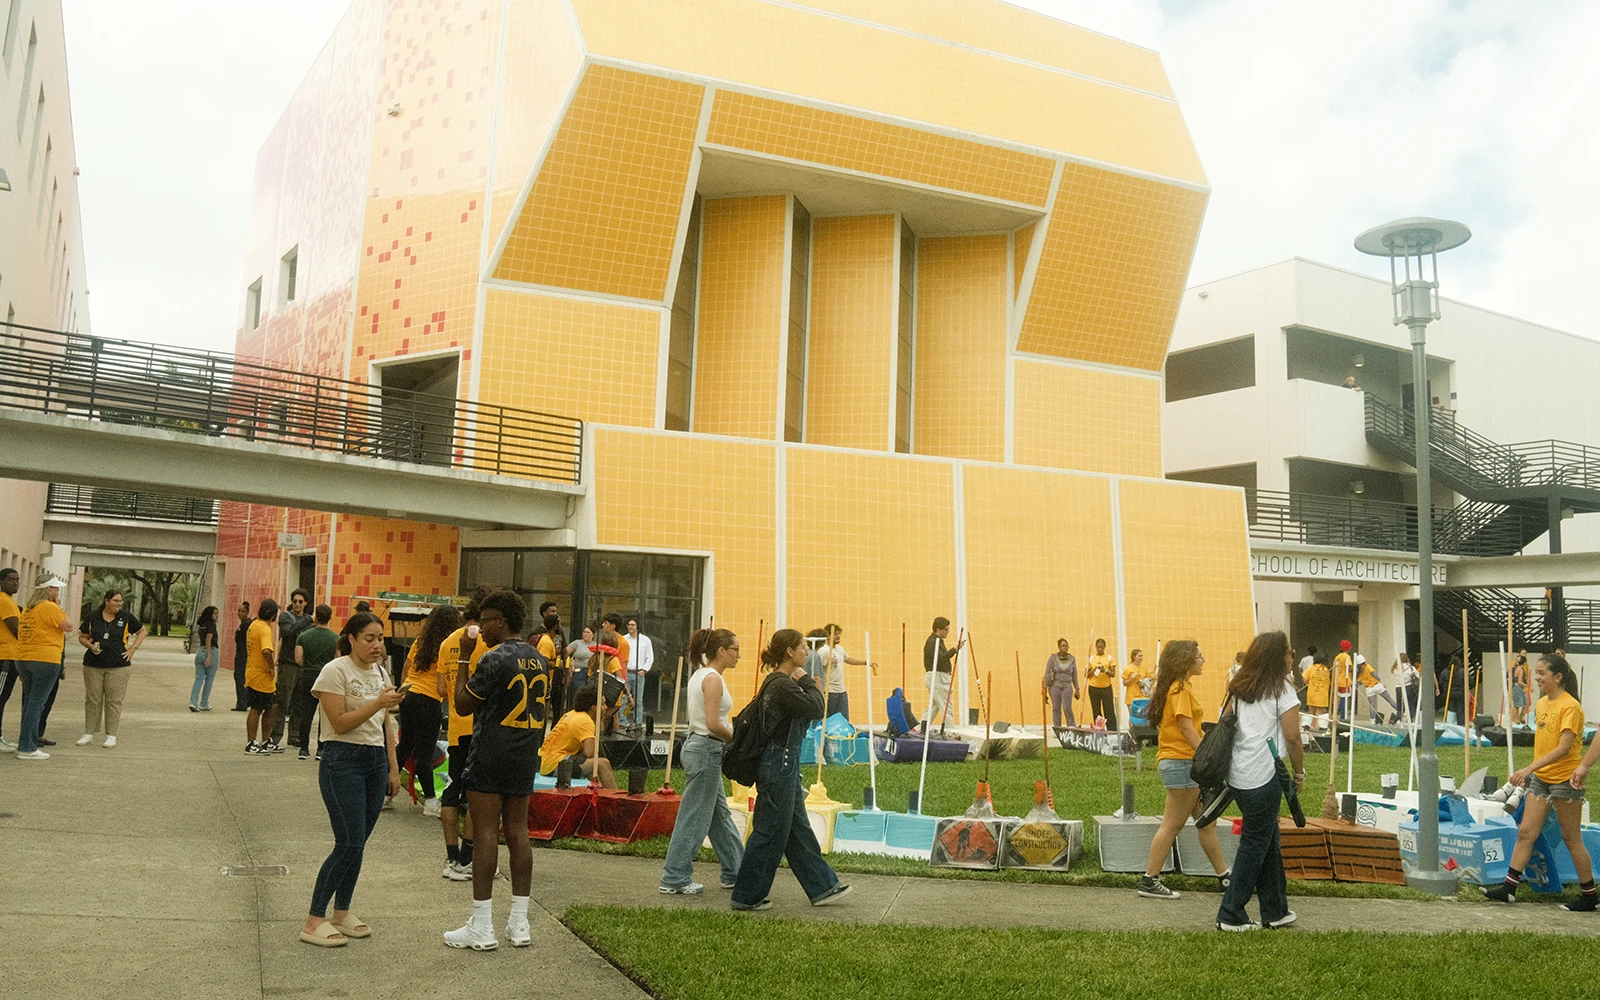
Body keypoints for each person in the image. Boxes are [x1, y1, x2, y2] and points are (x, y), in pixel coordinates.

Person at [444, 590, 551, 951]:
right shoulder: (540, 658)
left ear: (500, 621)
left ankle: (482, 925)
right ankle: (519, 923)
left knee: (486, 833)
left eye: (485, 619)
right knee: (519, 832)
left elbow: (461, 705)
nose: (481, 626)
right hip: (524, 754)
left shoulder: (493, 658)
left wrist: (463, 658)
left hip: (491, 752)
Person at [298, 612, 405, 947]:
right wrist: (378, 702)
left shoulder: (381, 671)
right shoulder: (335, 671)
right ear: (352, 639)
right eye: (369, 639)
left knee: (358, 844)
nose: (377, 645)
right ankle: (315, 919)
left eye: (381, 638)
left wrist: (392, 768)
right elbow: (340, 722)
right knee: (348, 842)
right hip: (341, 760)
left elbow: (386, 724)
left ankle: (341, 912)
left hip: (374, 761)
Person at [730, 629, 850, 911]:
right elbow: (816, 706)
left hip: (783, 764)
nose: (806, 652)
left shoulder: (778, 683)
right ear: (789, 652)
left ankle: (823, 886)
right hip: (778, 766)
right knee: (770, 830)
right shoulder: (783, 685)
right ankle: (746, 895)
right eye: (802, 648)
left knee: (797, 829)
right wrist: (808, 680)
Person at [1484, 653, 1596, 910]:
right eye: (1536, 672)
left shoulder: (1571, 707)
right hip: (1541, 780)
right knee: (1526, 832)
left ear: (1558, 677)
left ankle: (1589, 896)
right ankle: (1509, 888)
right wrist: (1535, 772)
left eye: (1541, 673)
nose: (1536, 677)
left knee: (1571, 837)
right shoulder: (1543, 704)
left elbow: (1564, 748)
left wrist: (1528, 769)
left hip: (1565, 782)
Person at [1217, 631, 1304, 932]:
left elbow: (1225, 723)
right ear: (1278, 657)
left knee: (1268, 841)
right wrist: (1299, 772)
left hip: (1239, 775)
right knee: (1255, 844)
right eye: (1290, 653)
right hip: (1265, 775)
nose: (1292, 657)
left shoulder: (1239, 686)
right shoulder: (1282, 688)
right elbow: (1293, 737)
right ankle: (1230, 913)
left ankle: (1275, 909)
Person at [1138, 640, 1229, 900]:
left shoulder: (1180, 687)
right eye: (1199, 656)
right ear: (1186, 660)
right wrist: (1206, 758)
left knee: (1206, 823)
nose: (1203, 660)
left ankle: (1225, 877)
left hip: (1183, 762)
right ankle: (1149, 879)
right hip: (1182, 763)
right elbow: (1186, 727)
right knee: (1171, 825)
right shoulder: (1179, 689)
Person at [659, 627, 745, 894]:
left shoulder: (700, 675)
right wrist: (736, 739)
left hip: (699, 747)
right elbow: (712, 723)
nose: (739, 656)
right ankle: (675, 877)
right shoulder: (713, 679)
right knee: (694, 818)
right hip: (707, 748)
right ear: (721, 651)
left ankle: (737, 870)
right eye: (735, 650)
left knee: (719, 816)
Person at [438, 585, 499, 881]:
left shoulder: (448, 642)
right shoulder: (486, 644)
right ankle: (467, 858)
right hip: (478, 729)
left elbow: (440, 689)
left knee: (451, 792)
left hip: (454, 730)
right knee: (478, 795)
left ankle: (451, 858)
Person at [397, 603, 464, 814]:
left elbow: (406, 669)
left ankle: (384, 790)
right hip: (428, 699)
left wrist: (403, 694)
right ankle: (431, 801)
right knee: (424, 753)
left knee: (405, 745)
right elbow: (446, 682)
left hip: (409, 694)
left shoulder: (421, 641)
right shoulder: (448, 646)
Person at [12, 575, 75, 760]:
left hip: (23, 659)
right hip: (45, 659)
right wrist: (57, 605)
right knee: (37, 704)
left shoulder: (29, 609)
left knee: (30, 702)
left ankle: (26, 743)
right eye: (55, 588)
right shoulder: (49, 607)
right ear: (49, 590)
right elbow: (69, 626)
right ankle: (27, 748)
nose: (58, 591)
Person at [76, 590, 146, 748]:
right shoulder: (93, 617)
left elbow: (142, 631)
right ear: (107, 601)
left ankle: (111, 735)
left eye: (120, 601)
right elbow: (82, 636)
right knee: (93, 699)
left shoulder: (126, 617)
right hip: (93, 665)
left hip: (118, 666)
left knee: (114, 700)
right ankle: (89, 733)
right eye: (116, 601)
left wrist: (133, 648)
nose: (119, 604)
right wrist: (90, 645)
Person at [539, 683, 619, 788]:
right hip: (556, 765)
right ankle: (616, 800)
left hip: (546, 762)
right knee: (602, 764)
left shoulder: (571, 714)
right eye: (603, 704)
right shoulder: (585, 721)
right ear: (594, 707)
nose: (606, 707)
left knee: (590, 767)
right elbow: (589, 753)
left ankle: (600, 796)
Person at [293, 606, 339, 760]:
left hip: (308, 676)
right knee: (324, 714)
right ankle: (321, 748)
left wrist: (308, 665)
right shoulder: (336, 638)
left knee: (306, 713)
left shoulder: (303, 636)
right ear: (330, 617)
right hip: (327, 678)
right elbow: (337, 659)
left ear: (316, 617)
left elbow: (298, 659)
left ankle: (304, 748)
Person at [271, 589, 314, 749]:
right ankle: (275, 737)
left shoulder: (308, 620)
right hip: (288, 664)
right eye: (295, 601)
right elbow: (288, 631)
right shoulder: (285, 617)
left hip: (302, 665)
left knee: (299, 703)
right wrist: (308, 620)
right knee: (282, 701)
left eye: (300, 602)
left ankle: (294, 736)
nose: (297, 604)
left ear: (305, 603)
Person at [244, 598, 282, 754]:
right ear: (273, 615)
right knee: (257, 708)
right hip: (261, 675)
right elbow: (266, 650)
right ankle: (251, 742)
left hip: (255, 673)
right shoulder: (265, 629)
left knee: (270, 707)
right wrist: (271, 666)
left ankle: (266, 741)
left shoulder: (254, 625)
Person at [920, 617, 961, 729]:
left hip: (937, 677)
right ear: (938, 629)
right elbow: (940, 658)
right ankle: (950, 731)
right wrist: (954, 649)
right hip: (938, 677)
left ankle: (919, 729)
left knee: (934, 707)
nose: (948, 632)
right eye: (946, 629)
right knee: (947, 707)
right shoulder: (933, 642)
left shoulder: (936, 641)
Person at [0, 567, 23, 747]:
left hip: (10, 657)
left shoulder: (10, 601)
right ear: (1, 582)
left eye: (17, 579)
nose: (15, 583)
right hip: (5, 658)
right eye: (10, 580)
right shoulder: (4, 601)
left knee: (4, 697)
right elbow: (17, 631)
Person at [623, 617, 654, 728]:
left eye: (633, 624)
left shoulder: (645, 640)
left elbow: (650, 657)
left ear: (637, 626)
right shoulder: (624, 639)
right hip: (626, 672)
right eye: (629, 625)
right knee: (624, 699)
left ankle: (638, 722)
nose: (630, 627)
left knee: (638, 700)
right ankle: (623, 722)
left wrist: (645, 670)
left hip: (639, 673)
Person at [1043, 639, 1079, 730]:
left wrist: (1077, 689)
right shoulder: (1053, 658)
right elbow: (1047, 673)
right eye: (1063, 645)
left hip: (1067, 686)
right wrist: (1044, 687)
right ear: (1059, 647)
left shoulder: (1072, 659)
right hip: (1055, 686)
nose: (1065, 647)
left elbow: (1074, 675)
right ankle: (1057, 728)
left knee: (1067, 708)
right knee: (1056, 708)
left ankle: (1071, 727)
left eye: (1066, 645)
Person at [190, 606, 220, 712]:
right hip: (210, 650)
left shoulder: (202, 625)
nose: (217, 616)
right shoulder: (211, 625)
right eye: (215, 614)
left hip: (200, 651)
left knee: (198, 679)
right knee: (209, 679)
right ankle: (204, 702)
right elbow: (208, 640)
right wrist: (209, 656)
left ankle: (193, 702)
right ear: (210, 614)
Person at [1354, 654, 1399, 724]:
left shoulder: (1358, 672)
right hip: (1377, 685)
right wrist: (1381, 681)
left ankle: (1372, 721)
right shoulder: (1367, 666)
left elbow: (1359, 683)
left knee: (1372, 705)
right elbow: (1374, 674)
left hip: (1369, 689)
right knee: (1389, 699)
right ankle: (1400, 713)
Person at [1085, 638, 1117, 728]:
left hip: (1106, 687)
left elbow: (1113, 674)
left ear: (1105, 647)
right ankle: (1099, 730)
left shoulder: (1109, 658)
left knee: (1109, 710)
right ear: (1095, 647)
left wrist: (1105, 671)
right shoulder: (1091, 658)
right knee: (1096, 711)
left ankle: (1112, 731)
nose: (1100, 649)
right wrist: (1094, 670)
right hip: (1093, 687)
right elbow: (1086, 675)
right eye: (1098, 647)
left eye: (1102, 647)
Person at [565, 625, 595, 701]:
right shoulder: (577, 643)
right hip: (579, 672)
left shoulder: (596, 645)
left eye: (588, 632)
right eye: (584, 632)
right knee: (579, 693)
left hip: (591, 673)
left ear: (593, 634)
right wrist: (569, 663)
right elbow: (565, 653)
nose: (585, 634)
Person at [231, 601, 252, 711]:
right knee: (239, 677)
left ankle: (242, 703)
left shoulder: (246, 625)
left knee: (240, 678)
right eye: (239, 611)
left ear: (247, 612)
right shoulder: (243, 624)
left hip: (243, 654)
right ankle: (243, 701)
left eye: (243, 611)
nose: (240, 613)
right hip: (240, 653)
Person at [1303, 654, 1330, 733]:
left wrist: (1309, 683)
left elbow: (1304, 679)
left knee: (1313, 712)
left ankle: (1313, 725)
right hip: (1322, 694)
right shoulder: (1326, 669)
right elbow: (1329, 683)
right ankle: (1317, 726)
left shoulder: (1311, 667)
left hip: (1312, 693)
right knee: (1320, 712)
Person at [1333, 640, 1354, 723]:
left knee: (1340, 698)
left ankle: (1339, 715)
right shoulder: (1347, 657)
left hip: (1338, 680)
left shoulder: (1337, 657)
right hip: (1345, 680)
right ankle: (1343, 716)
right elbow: (1349, 668)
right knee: (1345, 699)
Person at [1509, 652, 1531, 726]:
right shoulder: (1521, 670)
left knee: (1520, 704)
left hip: (1515, 687)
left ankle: (1517, 719)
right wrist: (1527, 686)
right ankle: (1512, 720)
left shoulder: (1516, 668)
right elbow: (1520, 681)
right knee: (1517, 705)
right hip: (1518, 687)